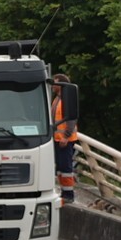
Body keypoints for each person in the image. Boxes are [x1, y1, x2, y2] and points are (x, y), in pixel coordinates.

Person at [50, 74, 81, 204]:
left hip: (64, 139)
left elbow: (71, 119)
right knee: (61, 167)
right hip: (57, 139)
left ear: (61, 84)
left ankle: (69, 194)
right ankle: (64, 191)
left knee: (66, 167)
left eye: (55, 83)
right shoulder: (57, 99)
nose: (52, 85)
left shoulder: (66, 99)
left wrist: (66, 136)